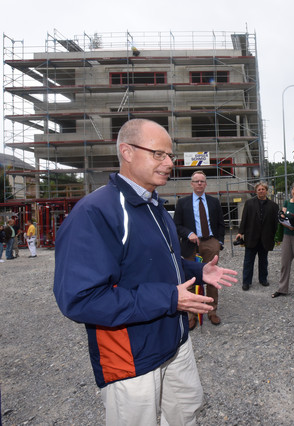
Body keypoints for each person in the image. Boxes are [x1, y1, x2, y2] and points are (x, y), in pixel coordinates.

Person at [53, 118, 237, 426]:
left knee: (186, 413)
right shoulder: (94, 212)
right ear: (126, 152)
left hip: (175, 343)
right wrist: (169, 298)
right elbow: (81, 299)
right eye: (159, 154)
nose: (169, 163)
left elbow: (161, 262)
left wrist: (198, 271)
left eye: (170, 155)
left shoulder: (155, 206)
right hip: (131, 358)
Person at [174, 170, 226, 327]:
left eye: (202, 181)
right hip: (191, 246)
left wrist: (219, 243)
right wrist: (188, 233)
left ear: (206, 183)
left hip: (210, 243)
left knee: (212, 279)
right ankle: (191, 315)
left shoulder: (214, 202)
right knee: (190, 280)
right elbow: (176, 225)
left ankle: (212, 311)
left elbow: (221, 224)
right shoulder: (182, 203)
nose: (199, 184)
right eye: (196, 181)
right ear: (191, 183)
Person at [236, 182, 279, 291]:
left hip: (266, 238)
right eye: (259, 189)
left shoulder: (274, 206)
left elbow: (275, 223)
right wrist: (240, 232)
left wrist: (276, 237)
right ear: (256, 191)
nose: (261, 191)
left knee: (264, 261)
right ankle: (246, 282)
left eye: (263, 189)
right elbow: (244, 219)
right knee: (248, 261)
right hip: (251, 237)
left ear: (266, 191)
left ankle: (263, 279)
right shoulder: (249, 203)